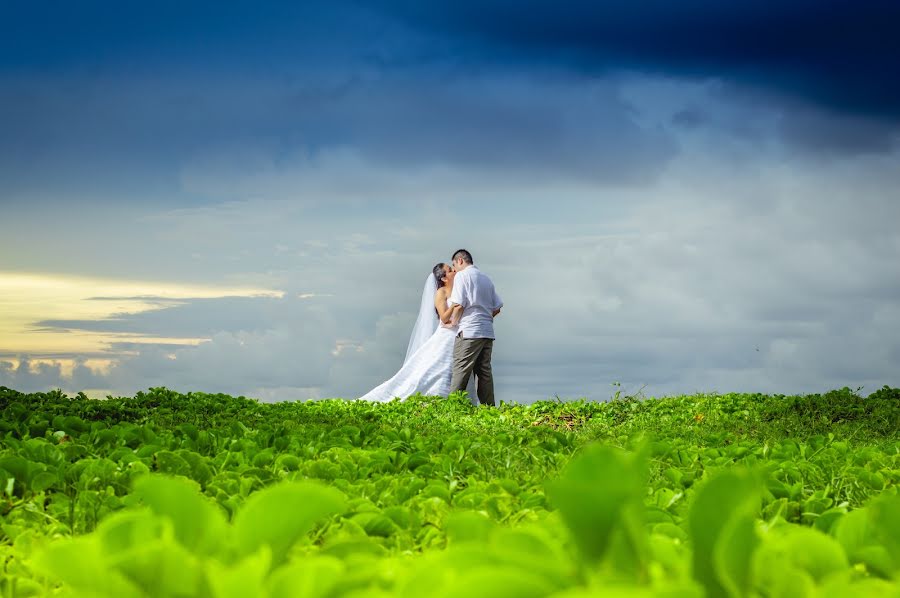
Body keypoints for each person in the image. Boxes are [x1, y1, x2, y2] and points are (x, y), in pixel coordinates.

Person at [358, 262, 478, 402]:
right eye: (450, 270)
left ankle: (462, 400)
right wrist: (454, 305)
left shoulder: (460, 289)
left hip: (460, 334)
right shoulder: (441, 292)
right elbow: (444, 318)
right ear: (444, 278)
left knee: (458, 368)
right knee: (440, 369)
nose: (454, 271)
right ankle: (439, 397)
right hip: (447, 336)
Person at [447, 249, 503, 406]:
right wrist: (484, 318)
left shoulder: (462, 276)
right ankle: (489, 409)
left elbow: (458, 305)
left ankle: (452, 408)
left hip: (470, 330)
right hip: (487, 331)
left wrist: (454, 323)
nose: (454, 269)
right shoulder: (486, 278)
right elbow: (497, 307)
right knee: (484, 373)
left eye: (454, 265)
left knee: (461, 370)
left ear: (460, 261)